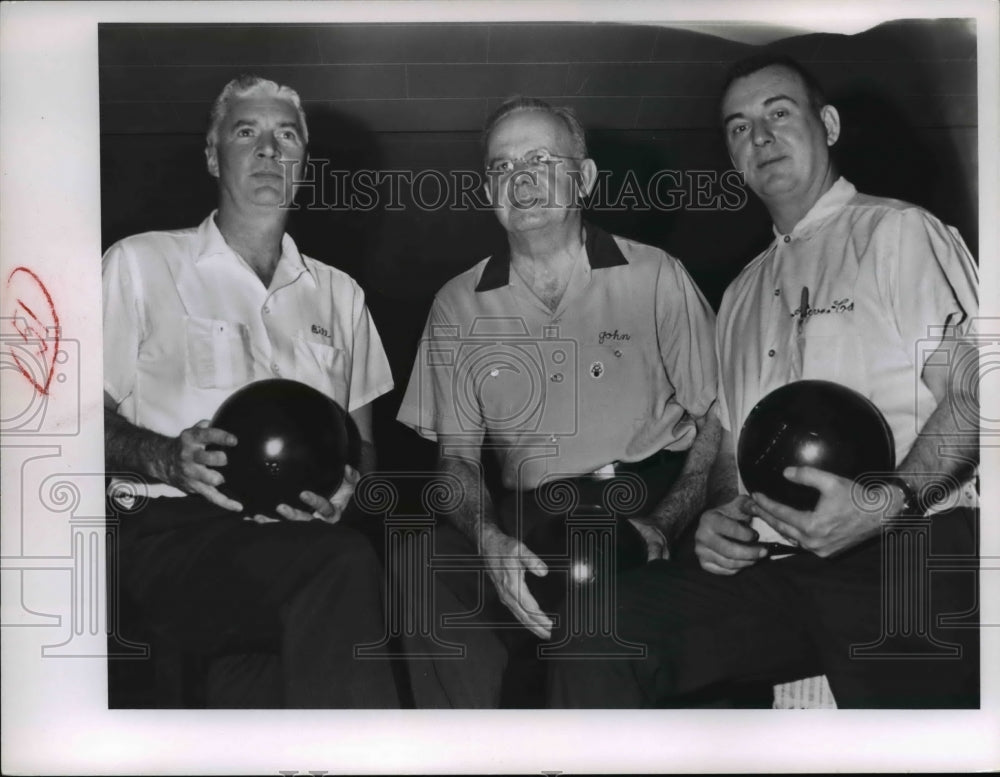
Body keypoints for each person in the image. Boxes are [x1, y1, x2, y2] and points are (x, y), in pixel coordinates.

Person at [547, 54, 980, 708]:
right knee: (598, 624)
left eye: (780, 113)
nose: (761, 136)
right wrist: (722, 513)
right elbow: (728, 449)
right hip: (784, 572)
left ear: (827, 124)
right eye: (739, 127)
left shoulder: (897, 233)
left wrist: (886, 500)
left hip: (906, 551)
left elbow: (975, 396)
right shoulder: (743, 291)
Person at [395, 97, 720, 706]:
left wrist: (667, 522)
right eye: (500, 167)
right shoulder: (457, 303)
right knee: (420, 562)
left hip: (642, 500)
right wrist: (488, 537)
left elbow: (717, 421)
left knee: (604, 645)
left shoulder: (655, 275)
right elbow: (457, 461)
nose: (519, 178)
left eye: (540, 159)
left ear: (585, 177)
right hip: (531, 519)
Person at [103, 75, 400, 707]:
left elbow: (367, 450)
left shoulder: (341, 295)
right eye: (247, 132)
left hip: (297, 544)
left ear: (303, 162)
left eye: (285, 135)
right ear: (213, 155)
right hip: (168, 538)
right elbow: (69, 422)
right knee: (343, 569)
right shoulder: (139, 263)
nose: (269, 149)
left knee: (291, 660)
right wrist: (166, 459)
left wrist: (347, 491)